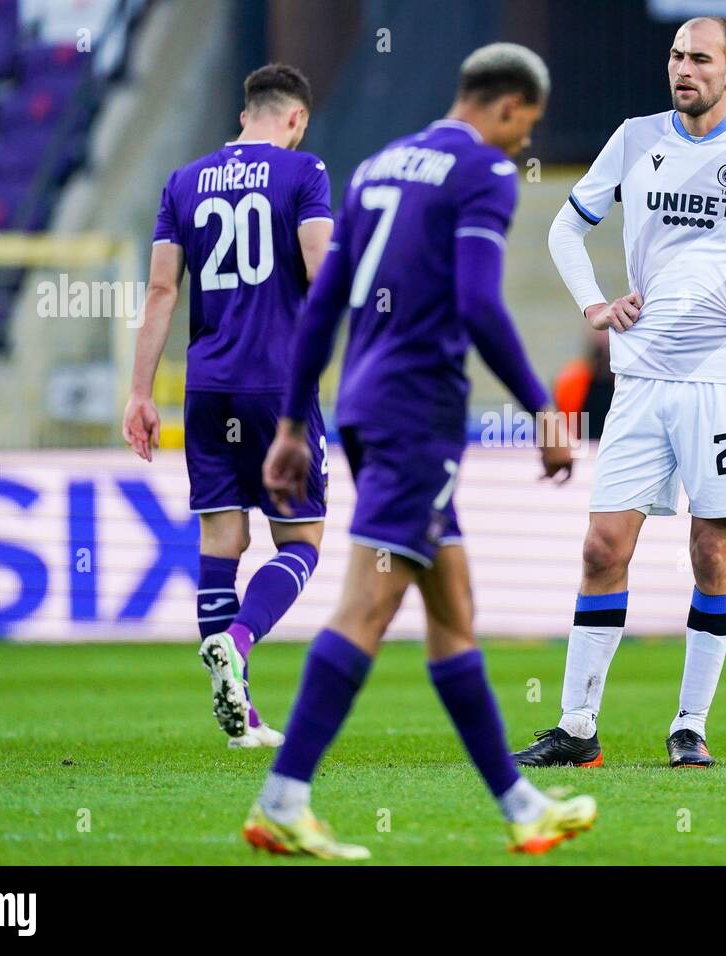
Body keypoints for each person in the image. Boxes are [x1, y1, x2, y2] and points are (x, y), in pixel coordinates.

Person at [241, 43, 596, 860]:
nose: (521, 145)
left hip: (365, 403)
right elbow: (477, 302)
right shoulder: (485, 173)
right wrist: (543, 409)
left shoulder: (375, 168)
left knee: (453, 610)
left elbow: (324, 300)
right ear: (509, 107)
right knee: (368, 606)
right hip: (416, 415)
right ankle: (284, 798)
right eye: (526, 128)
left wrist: (297, 425)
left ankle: (521, 806)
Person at [517, 16, 726, 769]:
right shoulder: (636, 138)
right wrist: (594, 306)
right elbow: (563, 233)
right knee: (603, 546)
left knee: (712, 550)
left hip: (720, 384)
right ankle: (577, 728)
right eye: (676, 56)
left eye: (701, 59)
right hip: (639, 380)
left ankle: (689, 725)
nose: (685, 69)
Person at [123, 64, 333, 748]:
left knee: (223, 541)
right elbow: (319, 271)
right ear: (294, 120)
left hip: (206, 386)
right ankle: (237, 644)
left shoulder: (182, 181)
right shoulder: (305, 175)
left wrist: (138, 393)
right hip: (276, 382)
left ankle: (240, 718)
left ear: (246, 114)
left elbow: (160, 293)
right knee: (300, 540)